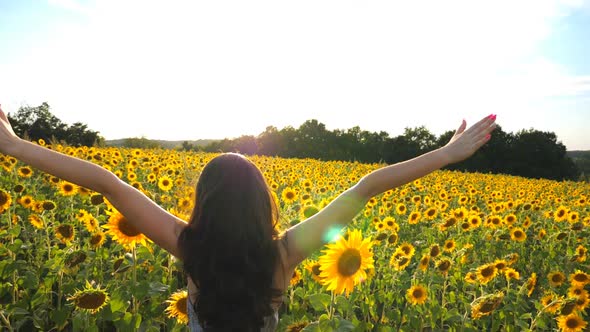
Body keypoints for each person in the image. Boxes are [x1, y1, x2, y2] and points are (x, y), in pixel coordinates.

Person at [0, 104, 496, 331]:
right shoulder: (284, 254)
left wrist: (15, 145)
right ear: (264, 204)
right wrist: (445, 155)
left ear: (205, 201)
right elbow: (365, 188)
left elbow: (108, 182)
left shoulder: (188, 245)